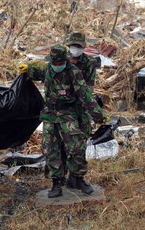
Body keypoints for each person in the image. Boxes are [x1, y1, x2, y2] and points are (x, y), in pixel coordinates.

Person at [18, 45, 108, 198]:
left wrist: (99, 116)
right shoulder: (49, 69)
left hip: (68, 115)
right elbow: (39, 73)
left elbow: (85, 96)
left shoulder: (74, 73)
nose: (57, 66)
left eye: (60, 63)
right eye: (55, 63)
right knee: (51, 150)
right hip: (50, 116)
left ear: (65, 61)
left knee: (76, 146)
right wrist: (28, 70)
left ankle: (78, 179)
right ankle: (56, 183)